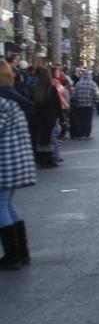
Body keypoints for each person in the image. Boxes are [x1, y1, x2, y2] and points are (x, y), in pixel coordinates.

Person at [0, 96, 36, 269]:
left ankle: (13, 255)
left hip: (5, 161)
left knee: (2, 204)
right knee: (7, 204)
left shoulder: (2, 104)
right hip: (14, 160)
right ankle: (21, 252)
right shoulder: (12, 102)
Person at [30, 68, 62, 168]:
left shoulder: (35, 88)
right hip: (50, 117)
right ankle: (49, 158)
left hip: (39, 117)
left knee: (41, 138)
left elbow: (33, 104)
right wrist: (61, 117)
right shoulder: (51, 88)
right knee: (48, 138)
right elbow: (57, 104)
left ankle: (41, 158)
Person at [70, 70, 98, 138]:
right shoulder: (93, 84)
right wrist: (95, 102)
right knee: (88, 119)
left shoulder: (78, 84)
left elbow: (73, 95)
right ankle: (87, 133)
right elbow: (97, 94)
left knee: (81, 119)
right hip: (89, 104)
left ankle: (81, 133)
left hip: (79, 104)